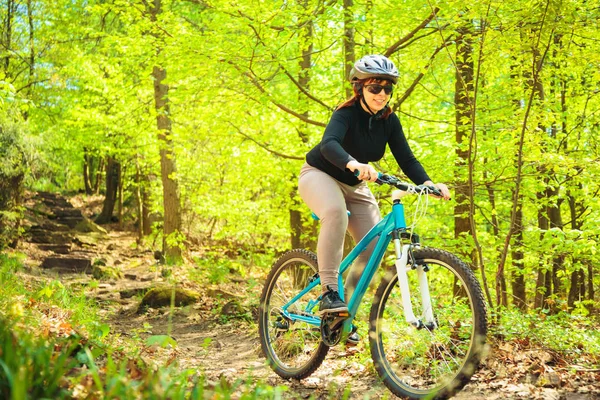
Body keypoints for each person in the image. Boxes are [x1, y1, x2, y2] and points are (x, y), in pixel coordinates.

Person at [298, 54, 450, 344]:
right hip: (319, 175)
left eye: (387, 89)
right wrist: (353, 163)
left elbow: (406, 157)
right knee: (336, 213)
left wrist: (428, 183)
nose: (382, 94)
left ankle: (344, 312)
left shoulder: (389, 122)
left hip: (355, 186)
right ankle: (329, 293)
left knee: (372, 248)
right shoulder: (345, 114)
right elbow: (329, 144)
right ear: (360, 88)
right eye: (374, 88)